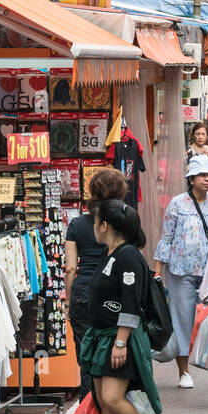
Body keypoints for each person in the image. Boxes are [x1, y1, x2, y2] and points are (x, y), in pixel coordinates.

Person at [77, 201, 166, 414]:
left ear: (105, 225)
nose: (93, 227)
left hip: (120, 338)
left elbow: (130, 303)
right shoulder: (111, 253)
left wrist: (120, 343)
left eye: (96, 222)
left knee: (114, 398)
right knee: (106, 401)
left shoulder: (128, 256)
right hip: (104, 337)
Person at [154, 155, 208, 389]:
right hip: (180, 271)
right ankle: (183, 372)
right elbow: (166, 237)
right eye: (203, 176)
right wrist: (158, 272)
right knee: (182, 320)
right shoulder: (177, 203)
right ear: (192, 178)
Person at [65, 168, 130, 399]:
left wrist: (68, 298)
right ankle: (112, 408)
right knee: (114, 352)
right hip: (115, 292)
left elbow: (71, 268)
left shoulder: (76, 224)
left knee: (86, 356)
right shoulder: (125, 220)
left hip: (83, 292)